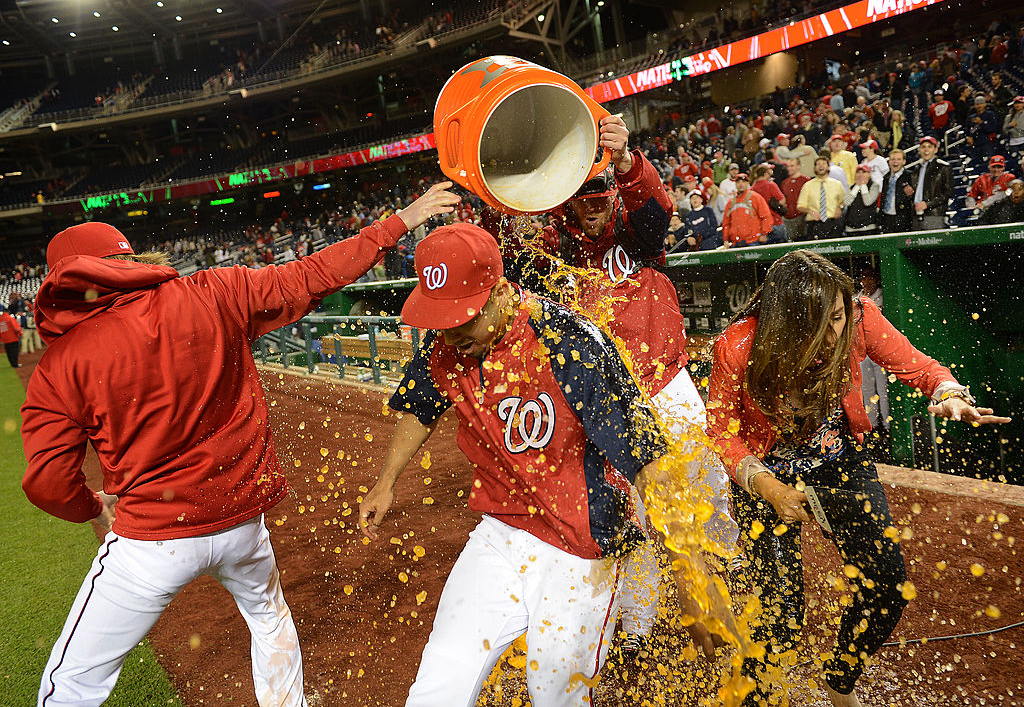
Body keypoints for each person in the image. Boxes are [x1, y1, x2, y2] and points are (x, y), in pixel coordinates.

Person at [19, 185, 460, 707]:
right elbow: (316, 274)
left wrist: (92, 504)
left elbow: (49, 482)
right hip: (241, 522)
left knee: (73, 680)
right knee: (270, 621)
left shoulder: (61, 363)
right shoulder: (211, 290)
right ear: (128, 258)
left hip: (151, 540)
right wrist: (399, 221)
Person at [359, 224, 733, 707]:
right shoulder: (449, 343)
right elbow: (422, 403)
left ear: (499, 292)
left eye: (463, 318)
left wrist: (692, 579)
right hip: (501, 531)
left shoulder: (569, 344)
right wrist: (386, 482)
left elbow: (648, 463)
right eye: (441, 320)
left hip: (581, 546)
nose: (451, 333)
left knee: (554, 697)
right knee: (437, 685)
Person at [706, 250, 1010, 707]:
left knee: (887, 586)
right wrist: (769, 489)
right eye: (817, 323)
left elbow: (920, 367)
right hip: (765, 475)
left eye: (837, 319)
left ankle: (839, 679)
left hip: (839, 463)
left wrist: (949, 393)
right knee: (780, 620)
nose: (833, 336)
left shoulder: (858, 316)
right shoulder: (736, 346)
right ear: (784, 322)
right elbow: (720, 432)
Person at [857, 267, 888, 433]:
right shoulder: (858, 297)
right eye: (864, 278)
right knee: (867, 390)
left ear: (876, 280)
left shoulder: (883, 295)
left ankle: (888, 427)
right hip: (864, 350)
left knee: (883, 391)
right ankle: (873, 426)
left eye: (871, 279)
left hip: (881, 348)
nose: (867, 282)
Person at [911, 136, 954, 230]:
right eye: (923, 147)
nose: (926, 150)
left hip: (934, 215)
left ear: (935, 150)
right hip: (915, 215)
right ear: (919, 150)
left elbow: (948, 193)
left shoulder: (944, 167)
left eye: (929, 146)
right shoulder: (916, 169)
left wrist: (928, 204)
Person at [797, 157, 846, 240]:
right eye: (818, 164)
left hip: (833, 223)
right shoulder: (807, 185)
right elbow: (800, 206)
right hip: (814, 224)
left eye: (823, 164)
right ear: (814, 168)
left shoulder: (837, 184)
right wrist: (810, 211)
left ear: (828, 167)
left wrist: (840, 208)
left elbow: (845, 200)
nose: (821, 166)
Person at [722, 172, 773, 247]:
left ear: (747, 183)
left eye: (743, 182)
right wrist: (725, 239)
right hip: (735, 242)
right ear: (735, 184)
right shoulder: (731, 201)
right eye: (738, 182)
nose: (741, 184)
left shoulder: (755, 197)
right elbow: (726, 222)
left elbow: (766, 216)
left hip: (753, 240)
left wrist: (764, 233)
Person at [879, 148, 915, 233]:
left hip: (903, 219)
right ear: (889, 162)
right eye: (893, 159)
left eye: (899, 159)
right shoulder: (886, 177)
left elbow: (914, 197)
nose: (895, 162)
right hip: (887, 219)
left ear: (904, 161)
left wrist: (910, 195)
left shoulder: (910, 176)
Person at [750, 163, 789, 243]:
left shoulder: (752, 188)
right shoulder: (770, 185)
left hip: (761, 226)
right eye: (769, 171)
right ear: (765, 173)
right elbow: (782, 201)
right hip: (775, 222)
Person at [843, 165, 881, 236]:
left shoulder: (874, 186)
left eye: (864, 172)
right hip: (851, 228)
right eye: (858, 172)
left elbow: (867, 202)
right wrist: (857, 187)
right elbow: (847, 202)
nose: (860, 175)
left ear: (869, 174)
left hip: (869, 228)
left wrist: (863, 186)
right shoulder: (851, 187)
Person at [780, 158, 810, 241]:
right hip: (788, 218)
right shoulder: (785, 182)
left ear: (798, 166)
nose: (789, 168)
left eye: (792, 166)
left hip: (802, 217)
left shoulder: (806, 180)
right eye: (788, 166)